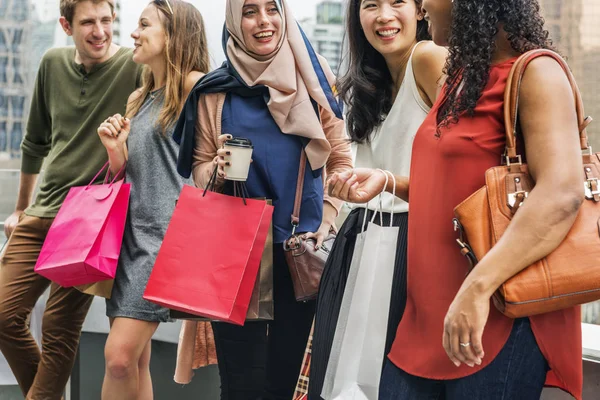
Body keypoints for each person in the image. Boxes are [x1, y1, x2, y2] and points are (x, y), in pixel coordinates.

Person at [330, 0, 584, 399]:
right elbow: (456, 188)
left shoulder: (538, 71)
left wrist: (476, 289)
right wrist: (387, 182)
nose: (424, 5)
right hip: (427, 318)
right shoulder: (460, 80)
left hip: (494, 315)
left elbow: (562, 194)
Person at [172, 0, 352, 398]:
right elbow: (198, 169)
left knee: (287, 381)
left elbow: (339, 158)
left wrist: (326, 220)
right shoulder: (213, 90)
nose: (264, 21)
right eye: (249, 10)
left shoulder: (313, 77)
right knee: (241, 384)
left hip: (300, 249)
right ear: (235, 20)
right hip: (236, 253)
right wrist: (217, 169)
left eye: (273, 8)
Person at [0, 0, 142, 398]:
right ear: (66, 25)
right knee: (3, 316)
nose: (99, 31)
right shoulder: (51, 62)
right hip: (41, 211)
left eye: (105, 20)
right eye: (87, 23)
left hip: (91, 223)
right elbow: (34, 143)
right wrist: (19, 208)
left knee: (59, 332)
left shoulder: (135, 66)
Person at [307, 0, 447, 398]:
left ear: (421, 10)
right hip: (364, 236)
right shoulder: (369, 78)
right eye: (370, 5)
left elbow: (469, 159)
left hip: (409, 240)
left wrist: (388, 181)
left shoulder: (428, 57)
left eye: (396, 2)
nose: (384, 16)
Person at [95, 1, 208, 399]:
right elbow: (129, 175)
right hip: (129, 237)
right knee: (135, 360)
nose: (133, 33)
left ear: (173, 35)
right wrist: (114, 150)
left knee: (118, 357)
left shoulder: (196, 86)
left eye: (144, 25)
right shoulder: (139, 97)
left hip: (165, 239)